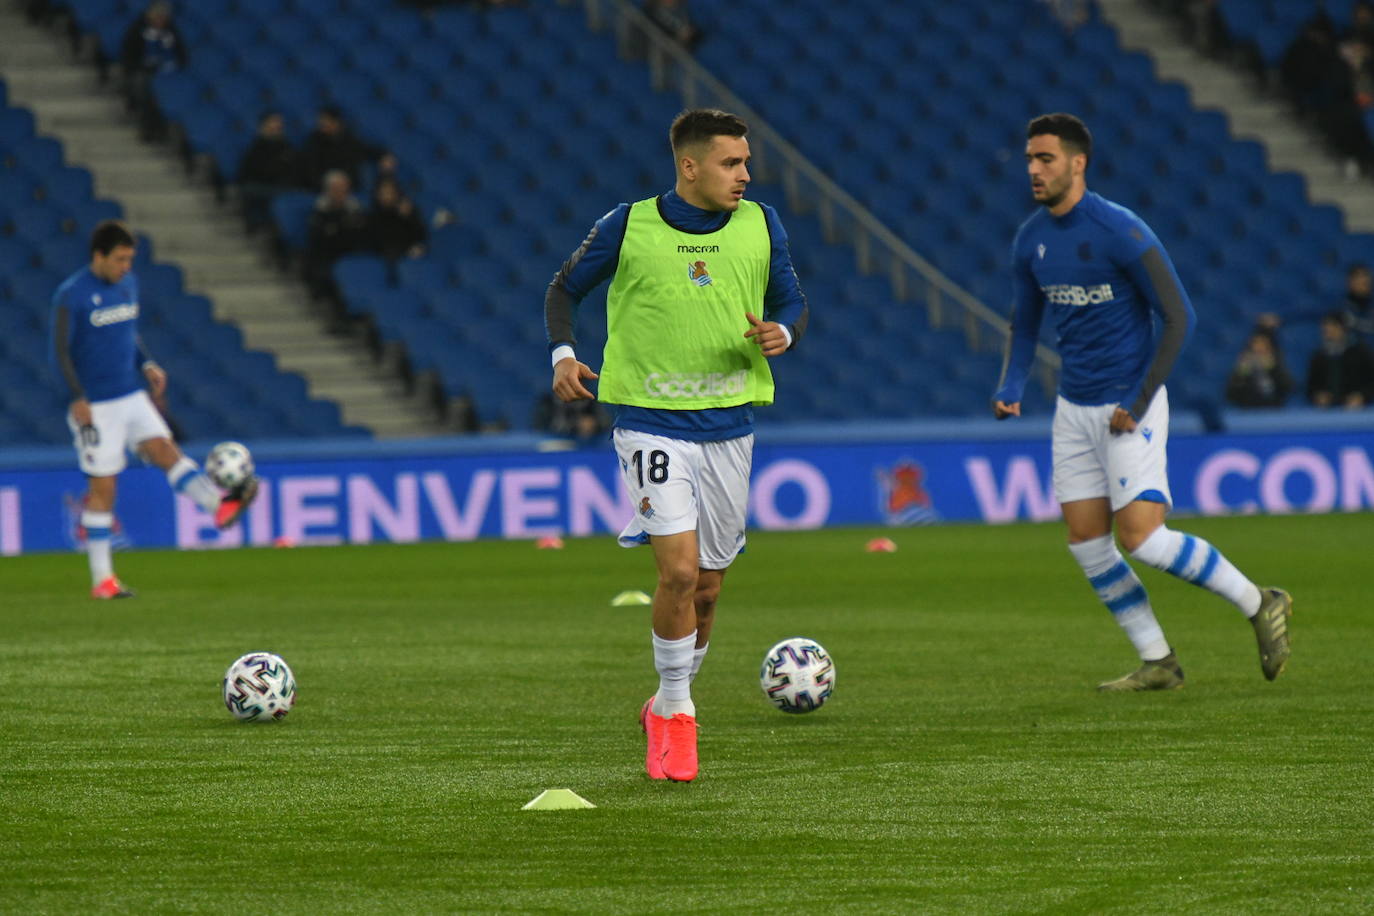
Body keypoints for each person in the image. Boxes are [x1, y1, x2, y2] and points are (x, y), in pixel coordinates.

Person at [544, 108, 809, 781]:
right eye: (731, 163)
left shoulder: (762, 224)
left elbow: (792, 301)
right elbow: (563, 287)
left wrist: (785, 333)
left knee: (712, 588)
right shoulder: (628, 224)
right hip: (650, 421)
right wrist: (564, 354)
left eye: (747, 162)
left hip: (730, 425)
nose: (745, 175)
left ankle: (661, 700)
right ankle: (680, 713)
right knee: (680, 574)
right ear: (689, 165)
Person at [992, 113, 1292, 691]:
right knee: (1086, 541)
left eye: (1045, 158)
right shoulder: (1031, 238)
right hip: (1074, 409)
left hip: (1130, 402)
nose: (1032, 169)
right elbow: (1025, 323)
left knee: (1143, 538)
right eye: (1029, 158)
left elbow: (1179, 316)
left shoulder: (1120, 230)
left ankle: (1260, 602)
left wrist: (1139, 396)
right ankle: (1159, 660)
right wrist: (1011, 385)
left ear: (1078, 163)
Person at [50, 221, 259, 599]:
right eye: (119, 259)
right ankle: (103, 581)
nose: (126, 266)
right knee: (104, 488)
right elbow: (61, 351)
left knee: (165, 450)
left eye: (130, 259)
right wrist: (77, 396)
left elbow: (129, 334)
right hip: (96, 406)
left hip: (130, 394)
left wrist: (146, 363)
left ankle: (219, 505)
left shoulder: (129, 285)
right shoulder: (72, 295)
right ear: (98, 256)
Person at [118, 0, 186, 140]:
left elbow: (182, 55)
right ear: (149, 15)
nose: (160, 19)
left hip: (168, 73)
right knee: (146, 89)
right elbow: (129, 59)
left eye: (163, 16)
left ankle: (163, 129)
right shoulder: (136, 31)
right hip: (143, 72)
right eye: (157, 16)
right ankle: (149, 128)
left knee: (171, 90)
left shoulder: (172, 31)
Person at [304, 170, 369, 302]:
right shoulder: (319, 210)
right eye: (336, 188)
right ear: (328, 190)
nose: (340, 192)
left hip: (352, 254)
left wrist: (338, 230)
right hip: (326, 256)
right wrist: (344, 229)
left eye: (343, 188)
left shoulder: (356, 209)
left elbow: (362, 233)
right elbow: (318, 238)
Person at [237, 111, 298, 235]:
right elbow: (250, 171)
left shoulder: (287, 146)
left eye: (278, 123)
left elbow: (294, 168)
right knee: (250, 191)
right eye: (273, 122)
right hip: (261, 184)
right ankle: (255, 224)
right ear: (263, 126)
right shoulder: (256, 146)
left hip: (282, 185)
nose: (277, 126)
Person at [1307, 310, 1374, 407]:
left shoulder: (1361, 353)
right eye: (1325, 326)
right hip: (1327, 411)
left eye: (1333, 326)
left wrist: (1362, 396)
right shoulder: (1319, 356)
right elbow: (1311, 387)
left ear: (1343, 328)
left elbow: (1371, 381)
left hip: (1359, 409)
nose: (1328, 330)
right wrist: (1318, 396)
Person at [1225, 327, 1294, 408]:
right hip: (1248, 409)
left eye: (1263, 346)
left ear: (1270, 349)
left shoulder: (1277, 364)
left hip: (1274, 409)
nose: (1259, 349)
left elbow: (1289, 388)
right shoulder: (1244, 366)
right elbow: (1230, 395)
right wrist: (1241, 373)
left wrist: (1273, 369)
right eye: (1256, 345)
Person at [366, 177, 427, 261]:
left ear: (396, 194)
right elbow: (377, 243)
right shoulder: (372, 216)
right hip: (385, 259)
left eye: (390, 192)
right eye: (383, 192)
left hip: (410, 259)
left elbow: (421, 235)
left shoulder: (407, 211)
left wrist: (409, 218)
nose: (387, 196)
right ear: (378, 195)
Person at [1339, 262, 1373, 346]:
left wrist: (1355, 323)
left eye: (1366, 276)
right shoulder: (1342, 305)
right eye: (1359, 277)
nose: (1365, 280)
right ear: (1350, 282)